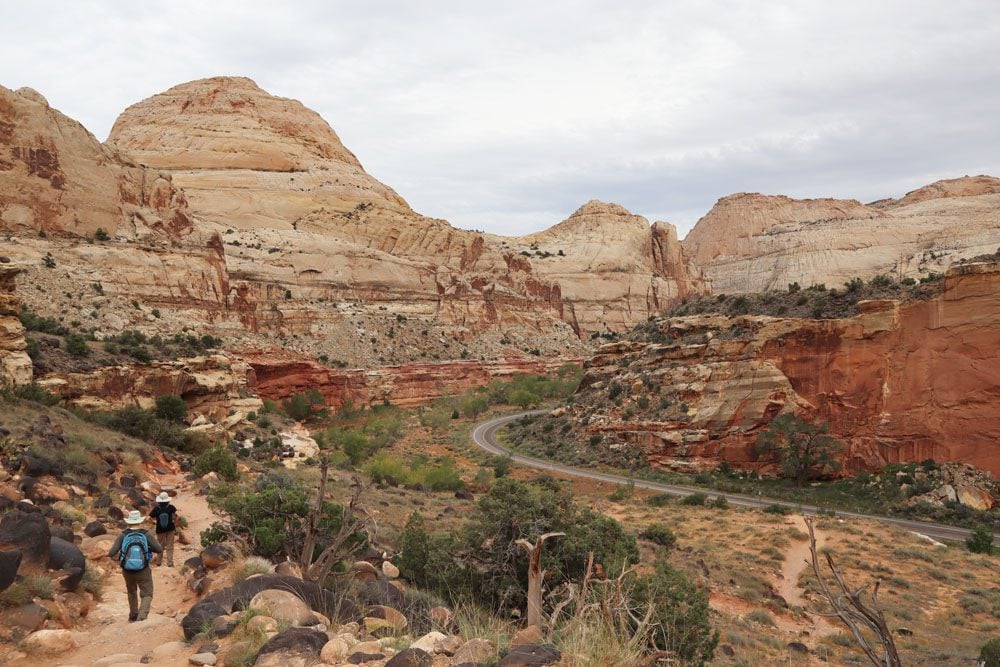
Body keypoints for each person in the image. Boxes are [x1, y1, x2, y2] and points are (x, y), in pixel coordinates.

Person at [107, 510, 163, 622]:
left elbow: (111, 552)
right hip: (143, 569)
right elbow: (159, 549)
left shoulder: (123, 535)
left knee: (131, 591)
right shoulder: (145, 534)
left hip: (127, 570)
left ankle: (133, 615)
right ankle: (142, 616)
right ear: (140, 521)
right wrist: (147, 549)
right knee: (147, 593)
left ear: (129, 522)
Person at [149, 491, 179, 567]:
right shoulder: (171, 507)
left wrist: (155, 522)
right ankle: (170, 562)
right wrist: (174, 524)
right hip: (170, 529)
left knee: (160, 545)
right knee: (170, 546)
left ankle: (159, 562)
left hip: (159, 530)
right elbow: (177, 517)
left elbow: (150, 517)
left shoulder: (156, 509)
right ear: (168, 500)